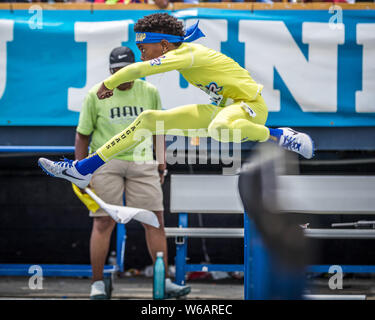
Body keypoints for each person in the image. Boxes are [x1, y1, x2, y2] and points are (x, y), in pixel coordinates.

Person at [38, 12, 314, 191]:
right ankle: (84, 169)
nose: (140, 50)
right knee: (148, 120)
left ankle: (280, 135)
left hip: (250, 108)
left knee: (219, 128)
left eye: (144, 45)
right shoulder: (179, 54)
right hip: (224, 111)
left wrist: (107, 85)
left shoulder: (188, 54)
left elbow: (138, 70)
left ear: (165, 45)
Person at [71, 46, 190, 299]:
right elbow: (82, 135)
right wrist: (80, 169)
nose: (122, 75)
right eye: (117, 71)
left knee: (155, 219)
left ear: (136, 69)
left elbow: (159, 128)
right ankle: (97, 284)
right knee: (103, 220)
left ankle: (164, 281)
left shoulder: (149, 92)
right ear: (110, 71)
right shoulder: (96, 94)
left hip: (142, 160)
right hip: (105, 162)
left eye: (127, 70)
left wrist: (161, 161)